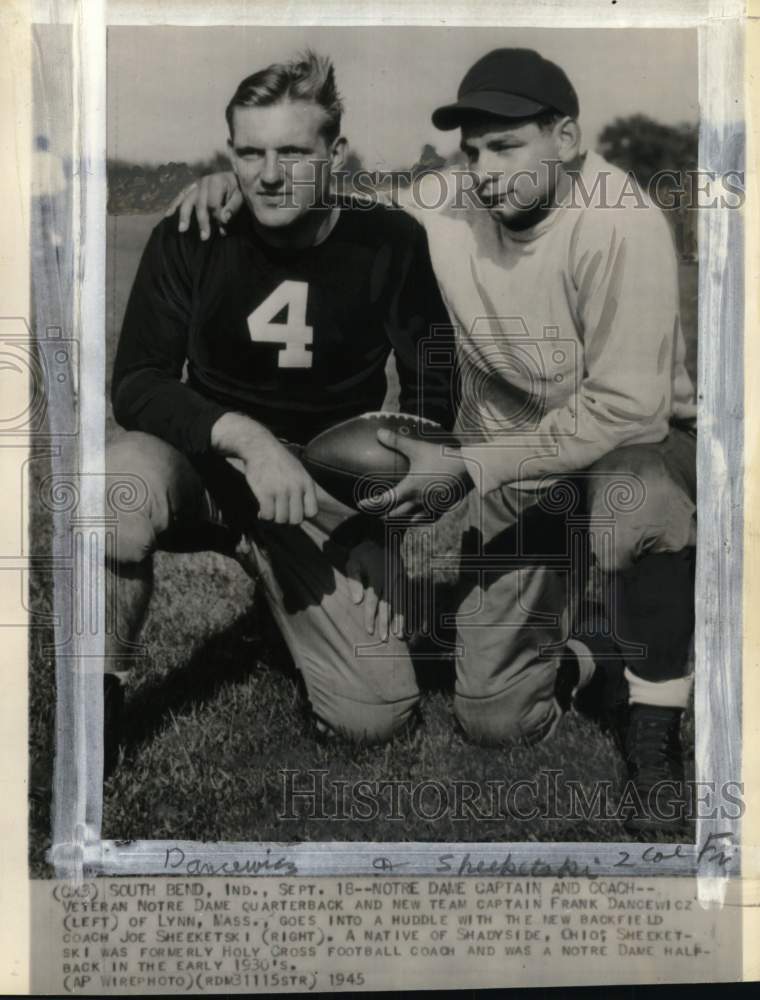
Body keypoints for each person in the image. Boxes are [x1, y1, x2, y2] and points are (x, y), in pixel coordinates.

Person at [175, 48, 697, 835]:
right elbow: (327, 196)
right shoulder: (448, 202)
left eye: (506, 146)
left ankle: (656, 731)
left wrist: (467, 465)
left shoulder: (623, 222)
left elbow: (627, 411)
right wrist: (232, 190)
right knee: (493, 717)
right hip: (516, 467)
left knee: (636, 493)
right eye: (472, 149)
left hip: (638, 448)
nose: (484, 169)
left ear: (566, 138)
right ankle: (590, 656)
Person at [105, 51, 459, 772]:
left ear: (336, 152)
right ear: (230, 152)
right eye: (251, 152)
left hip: (320, 489)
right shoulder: (193, 231)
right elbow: (138, 382)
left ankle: (287, 594)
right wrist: (244, 436)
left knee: (374, 718)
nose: (269, 174)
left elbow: (431, 396)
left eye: (294, 151)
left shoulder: (389, 241)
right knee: (117, 488)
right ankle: (98, 700)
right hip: (208, 469)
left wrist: (391, 535)